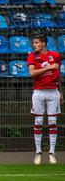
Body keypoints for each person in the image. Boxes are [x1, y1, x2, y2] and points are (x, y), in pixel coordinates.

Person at [27, 35, 63, 165]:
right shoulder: (32, 56)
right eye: (34, 42)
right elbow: (32, 73)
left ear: (44, 43)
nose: (34, 45)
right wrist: (48, 68)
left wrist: (60, 91)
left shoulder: (56, 56)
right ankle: (38, 152)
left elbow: (58, 75)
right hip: (39, 92)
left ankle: (52, 153)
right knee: (38, 121)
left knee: (53, 121)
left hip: (53, 91)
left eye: (36, 42)